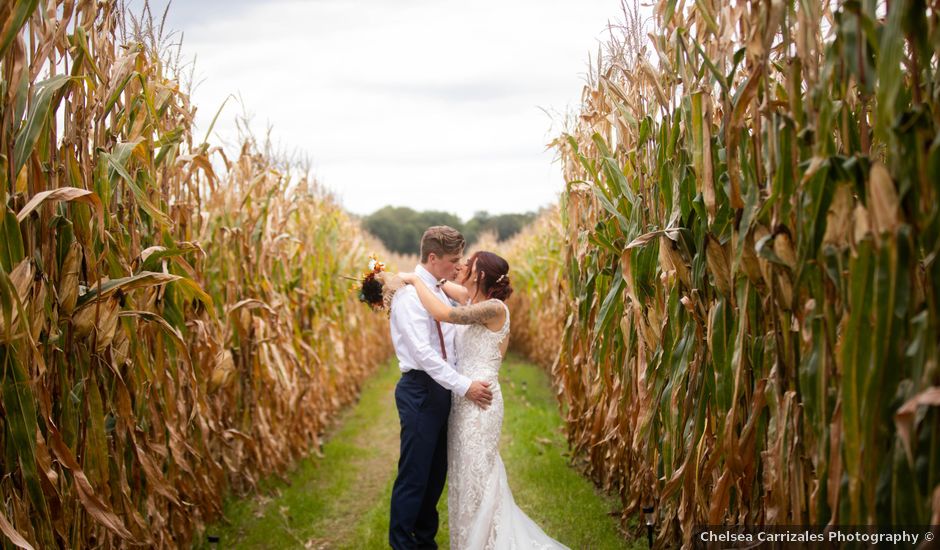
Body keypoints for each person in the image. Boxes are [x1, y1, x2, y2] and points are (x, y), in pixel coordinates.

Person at [398, 250, 569, 550]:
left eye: (470, 262)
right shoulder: (470, 299)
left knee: (480, 474)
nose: (463, 265)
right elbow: (437, 283)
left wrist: (412, 278)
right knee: (463, 476)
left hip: (481, 401)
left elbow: (443, 313)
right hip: (463, 398)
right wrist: (413, 279)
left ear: (479, 274)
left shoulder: (493, 308)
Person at [388, 226, 494, 550]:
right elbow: (423, 353)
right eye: (452, 260)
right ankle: (402, 544)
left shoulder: (437, 288)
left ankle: (425, 542)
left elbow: (452, 330)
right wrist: (464, 386)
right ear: (433, 258)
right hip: (421, 388)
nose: (457, 267)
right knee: (415, 475)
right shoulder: (409, 296)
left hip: (440, 389)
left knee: (435, 477)